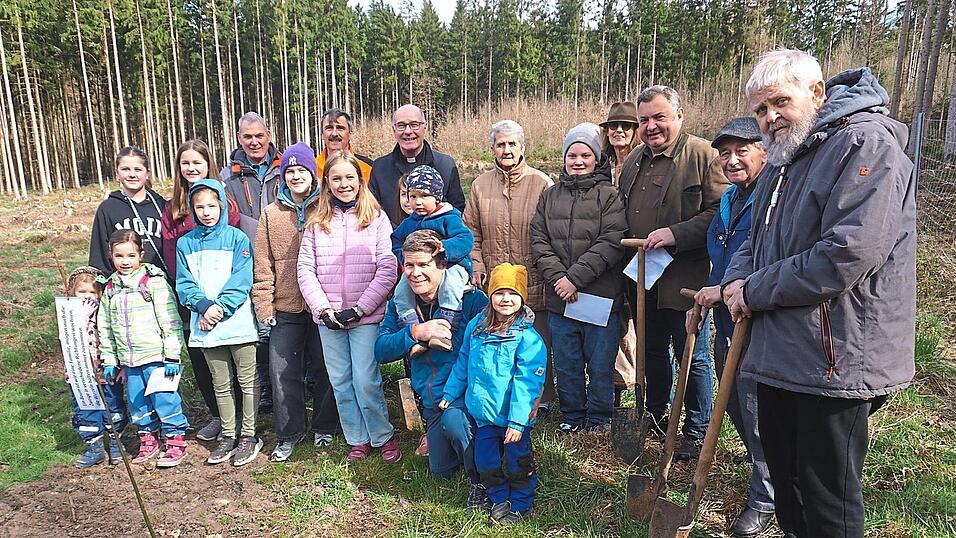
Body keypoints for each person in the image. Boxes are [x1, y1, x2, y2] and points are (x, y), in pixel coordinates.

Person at [722, 49, 916, 538]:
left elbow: (847, 253)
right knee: (787, 490)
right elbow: (754, 239)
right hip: (778, 350)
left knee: (827, 498)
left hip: (833, 356)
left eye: (779, 103)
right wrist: (732, 282)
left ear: (817, 93)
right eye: (761, 110)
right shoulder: (785, 160)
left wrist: (754, 289)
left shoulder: (867, 145)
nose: (769, 118)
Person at [617, 85, 725, 459]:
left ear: (679, 116)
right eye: (644, 120)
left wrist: (675, 234)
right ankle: (656, 414)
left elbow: (719, 214)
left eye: (659, 117)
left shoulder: (704, 155)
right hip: (643, 281)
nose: (651, 126)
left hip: (686, 280)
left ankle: (696, 430)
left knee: (691, 354)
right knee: (652, 353)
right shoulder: (633, 161)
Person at [689, 117, 775, 537]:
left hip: (759, 321)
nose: (732, 159)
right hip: (726, 318)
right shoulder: (729, 200)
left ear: (765, 151)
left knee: (755, 409)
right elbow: (725, 258)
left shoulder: (773, 197)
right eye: (724, 153)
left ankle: (766, 497)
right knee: (737, 407)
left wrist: (720, 290)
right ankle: (764, 465)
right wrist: (708, 293)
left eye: (742, 150)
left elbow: (763, 258)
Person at [297, 150, 401, 463]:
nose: (343, 184)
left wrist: (360, 308)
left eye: (349, 177)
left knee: (366, 379)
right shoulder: (317, 222)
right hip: (328, 318)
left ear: (360, 180)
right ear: (326, 183)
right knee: (340, 381)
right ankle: (357, 437)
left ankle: (382, 435)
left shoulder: (377, 218)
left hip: (365, 316)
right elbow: (305, 268)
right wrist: (322, 309)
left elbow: (387, 267)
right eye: (336, 178)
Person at [375, 230, 491, 509]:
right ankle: (467, 449)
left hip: (464, 398)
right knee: (440, 471)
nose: (415, 273)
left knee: (455, 422)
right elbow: (380, 350)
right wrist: (416, 332)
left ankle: (483, 481)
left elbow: (483, 353)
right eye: (409, 265)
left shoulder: (472, 300)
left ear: (442, 265)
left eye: (423, 265)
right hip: (430, 402)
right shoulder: (401, 305)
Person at [530, 123, 628, 434]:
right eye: (572, 154)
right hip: (561, 299)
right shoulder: (549, 197)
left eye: (585, 154)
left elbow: (611, 241)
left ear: (596, 158)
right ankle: (572, 415)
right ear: (564, 158)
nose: (578, 161)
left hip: (599, 297)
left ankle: (599, 418)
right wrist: (559, 277)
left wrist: (574, 278)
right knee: (567, 364)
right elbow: (539, 240)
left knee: (600, 365)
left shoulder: (609, 196)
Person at [440, 263, 547, 525]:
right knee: (485, 460)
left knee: (518, 462)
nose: (506, 299)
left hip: (512, 418)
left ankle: (521, 502)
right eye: (499, 292)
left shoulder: (527, 338)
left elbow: (527, 384)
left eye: (513, 294)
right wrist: (451, 392)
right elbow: (464, 360)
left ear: (522, 298)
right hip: (484, 414)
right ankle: (499, 498)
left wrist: (518, 421)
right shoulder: (477, 326)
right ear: (490, 295)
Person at [252, 142, 340, 462]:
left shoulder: (327, 207)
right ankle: (289, 433)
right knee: (281, 371)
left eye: (301, 170)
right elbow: (262, 263)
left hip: (321, 304)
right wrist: (264, 305)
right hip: (285, 306)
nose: (295, 176)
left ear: (312, 174)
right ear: (283, 176)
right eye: (290, 171)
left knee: (325, 368)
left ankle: (325, 427)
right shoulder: (270, 214)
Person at [463, 119, 556, 419]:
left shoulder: (541, 183)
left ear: (522, 147)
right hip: (495, 283)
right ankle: (500, 401)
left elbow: (552, 233)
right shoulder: (480, 186)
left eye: (512, 144)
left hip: (533, 281)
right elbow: (471, 233)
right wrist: (476, 265)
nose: (506, 149)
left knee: (535, 344)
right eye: (500, 144)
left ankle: (540, 401)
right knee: (500, 344)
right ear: (492, 148)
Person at [160, 139, 242, 443]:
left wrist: (220, 302)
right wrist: (197, 301)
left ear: (209, 164)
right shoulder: (172, 209)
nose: (192, 168)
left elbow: (235, 249)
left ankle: (240, 417)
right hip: (193, 298)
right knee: (201, 356)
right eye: (186, 163)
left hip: (225, 298)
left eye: (198, 162)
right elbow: (173, 258)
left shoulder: (226, 203)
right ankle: (218, 415)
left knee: (232, 359)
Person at [176, 180, 262, 467]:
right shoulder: (185, 244)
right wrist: (203, 307)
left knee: (247, 381)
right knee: (220, 383)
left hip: (236, 324)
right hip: (206, 326)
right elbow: (184, 283)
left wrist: (220, 308)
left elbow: (242, 279)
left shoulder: (238, 239)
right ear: (192, 209)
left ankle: (249, 434)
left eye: (212, 206)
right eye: (199, 207)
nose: (206, 212)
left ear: (223, 206)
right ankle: (228, 433)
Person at [99, 230, 188, 468]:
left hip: (157, 357)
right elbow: (105, 327)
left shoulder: (153, 283)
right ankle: (148, 438)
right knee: (137, 401)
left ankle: (175, 439)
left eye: (130, 255)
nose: (125, 261)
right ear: (111, 256)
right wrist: (109, 359)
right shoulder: (110, 289)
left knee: (165, 398)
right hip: (130, 360)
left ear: (141, 254)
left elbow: (170, 321)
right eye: (119, 256)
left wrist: (172, 355)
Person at [391, 165, 474, 352]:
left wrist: (445, 248)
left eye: (424, 196)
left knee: (450, 285)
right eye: (413, 196)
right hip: (420, 269)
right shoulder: (410, 222)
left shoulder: (448, 217)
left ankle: (444, 330)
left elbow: (465, 239)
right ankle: (412, 327)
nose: (418, 202)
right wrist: (404, 260)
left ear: (437, 196)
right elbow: (395, 239)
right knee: (401, 290)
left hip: (453, 264)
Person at [66, 266, 127, 468]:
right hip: (80, 374)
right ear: (72, 293)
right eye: (81, 292)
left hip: (105, 370)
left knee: (113, 406)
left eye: (92, 292)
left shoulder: (106, 312)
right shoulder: (68, 315)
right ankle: (94, 447)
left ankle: (117, 444)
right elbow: (70, 337)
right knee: (86, 409)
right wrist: (82, 316)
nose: (87, 297)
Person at [370, 104, 465, 223]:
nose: (408, 131)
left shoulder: (445, 165)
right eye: (401, 126)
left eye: (414, 125)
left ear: (424, 127)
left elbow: (457, 210)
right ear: (394, 130)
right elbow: (374, 212)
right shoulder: (380, 168)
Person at [89, 146, 166, 274]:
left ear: (147, 174)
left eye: (138, 169)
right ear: (117, 173)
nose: (132, 174)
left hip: (162, 285)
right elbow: (100, 254)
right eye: (125, 169)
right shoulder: (108, 209)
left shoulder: (162, 206)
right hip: (122, 288)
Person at [221, 112, 282, 220]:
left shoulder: (285, 170)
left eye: (259, 136)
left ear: (268, 135)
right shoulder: (227, 176)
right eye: (248, 137)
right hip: (244, 237)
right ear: (239, 138)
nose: (254, 142)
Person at [316, 107, 374, 179]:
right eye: (329, 128)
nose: (334, 134)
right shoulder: (312, 168)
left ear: (350, 134)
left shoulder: (368, 168)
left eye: (340, 128)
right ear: (322, 135)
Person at [599, 101, 641, 182]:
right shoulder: (602, 164)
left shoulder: (641, 163)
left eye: (626, 126)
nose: (619, 130)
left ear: (634, 132)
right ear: (607, 131)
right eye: (613, 125)